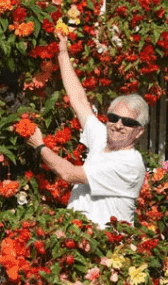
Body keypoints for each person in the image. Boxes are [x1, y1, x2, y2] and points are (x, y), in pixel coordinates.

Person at [26, 34, 149, 229]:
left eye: (127, 122)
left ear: (139, 131)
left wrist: (40, 146)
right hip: (80, 241)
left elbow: (68, 174)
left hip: (108, 249)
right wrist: (63, 52)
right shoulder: (103, 138)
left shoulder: (130, 164)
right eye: (113, 118)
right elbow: (79, 101)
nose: (118, 125)